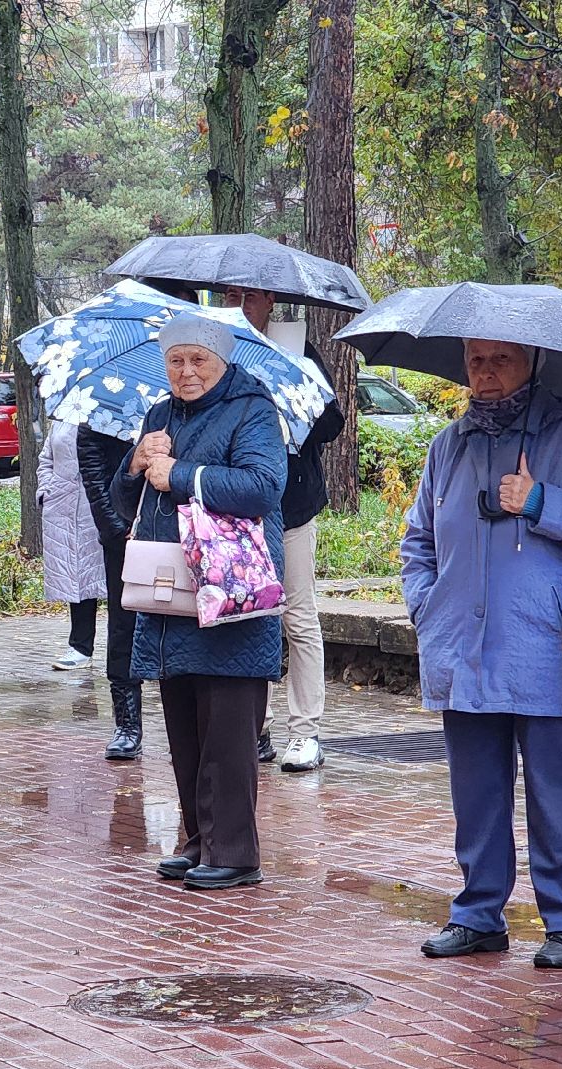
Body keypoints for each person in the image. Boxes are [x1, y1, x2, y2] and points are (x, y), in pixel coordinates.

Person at [402, 338, 562, 970]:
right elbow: (418, 538)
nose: (486, 372)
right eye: (476, 360)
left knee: (559, 792)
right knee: (476, 793)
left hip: (545, 648)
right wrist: (426, 605)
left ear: (532, 360)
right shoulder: (448, 445)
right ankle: (478, 916)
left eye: (501, 359)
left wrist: (538, 502)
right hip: (461, 649)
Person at [111, 312, 287, 891]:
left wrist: (181, 473)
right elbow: (121, 504)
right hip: (172, 592)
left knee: (229, 729)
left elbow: (263, 487)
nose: (186, 372)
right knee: (184, 724)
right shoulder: (160, 415)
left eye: (198, 361)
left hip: (232, 594)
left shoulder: (253, 410)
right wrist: (136, 462)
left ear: (222, 361)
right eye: (176, 361)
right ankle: (197, 838)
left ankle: (235, 851)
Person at [218, 283, 346, 772]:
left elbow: (332, 421)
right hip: (238, 510)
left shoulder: (298, 348)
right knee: (248, 615)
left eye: (249, 296)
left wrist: (288, 405)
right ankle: (256, 727)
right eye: (230, 296)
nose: (240, 305)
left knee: (297, 615)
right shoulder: (218, 350)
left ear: (271, 301)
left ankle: (306, 731)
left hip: (291, 506)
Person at [77, 423, 145, 759]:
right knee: (123, 625)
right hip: (122, 532)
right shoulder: (100, 409)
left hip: (177, 524)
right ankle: (127, 722)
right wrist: (117, 530)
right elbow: (93, 475)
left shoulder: (181, 404)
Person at [37, 420, 108, 671]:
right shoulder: (63, 420)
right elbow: (46, 459)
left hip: (101, 506)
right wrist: (47, 490)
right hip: (63, 507)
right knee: (78, 575)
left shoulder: (112, 420)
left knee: (116, 576)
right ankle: (80, 646)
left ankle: (126, 648)